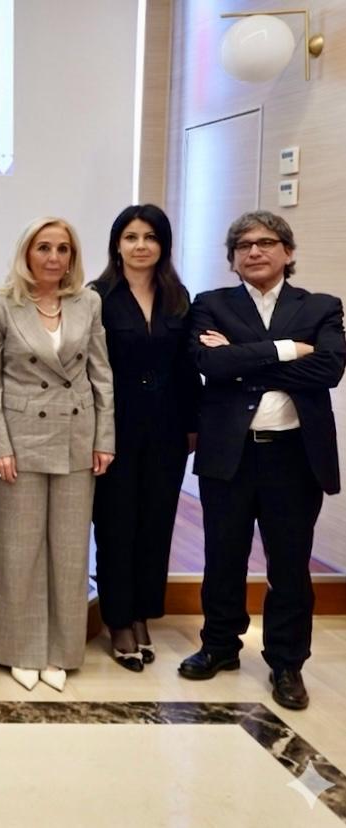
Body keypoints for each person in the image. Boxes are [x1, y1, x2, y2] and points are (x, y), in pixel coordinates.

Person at [178, 210, 344, 711]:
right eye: (243, 245)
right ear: (232, 259)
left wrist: (243, 358)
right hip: (230, 452)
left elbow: (329, 370)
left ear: (287, 252)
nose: (254, 251)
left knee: (289, 563)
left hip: (294, 456)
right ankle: (219, 645)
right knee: (222, 556)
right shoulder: (211, 304)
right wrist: (290, 350)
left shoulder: (321, 306)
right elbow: (210, 363)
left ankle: (287, 662)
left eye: (266, 242)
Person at [0, 217, 115, 692]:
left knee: (70, 551)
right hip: (19, 440)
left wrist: (104, 437)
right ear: (27, 253)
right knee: (19, 550)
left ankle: (61, 650)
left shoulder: (88, 303)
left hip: (77, 435)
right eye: (44, 248)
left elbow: (101, 374)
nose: (54, 257)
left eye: (63, 249)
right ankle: (20, 649)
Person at [90, 205, 200, 671]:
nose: (141, 246)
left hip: (168, 429)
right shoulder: (96, 296)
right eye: (131, 237)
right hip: (113, 429)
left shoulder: (178, 296)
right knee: (116, 524)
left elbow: (188, 367)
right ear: (117, 244)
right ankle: (118, 619)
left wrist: (193, 425)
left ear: (163, 245)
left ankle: (142, 614)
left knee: (156, 524)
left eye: (150, 237)